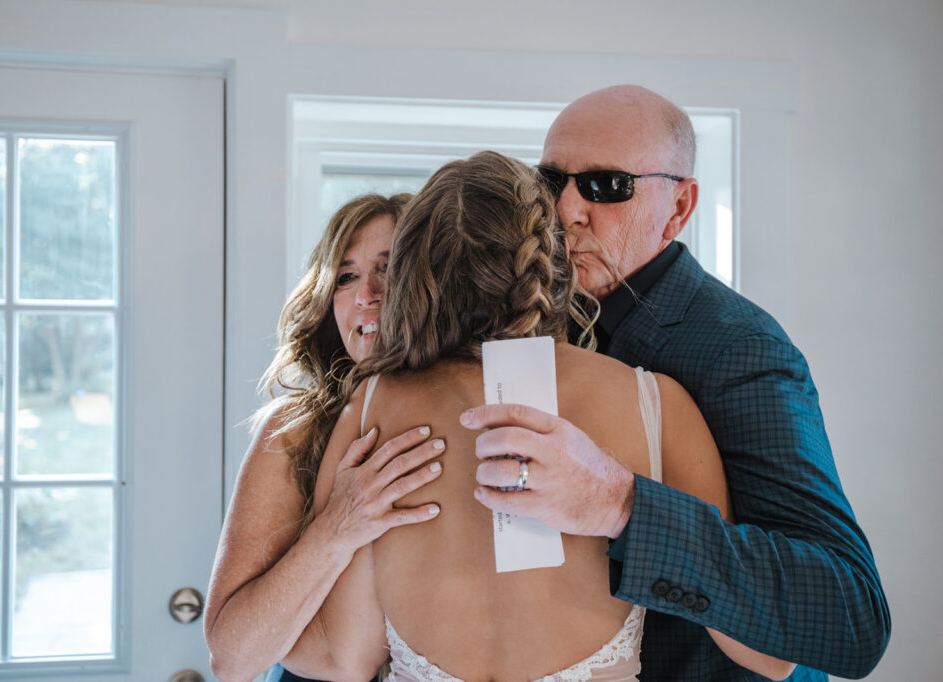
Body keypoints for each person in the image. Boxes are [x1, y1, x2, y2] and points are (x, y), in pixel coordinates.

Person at [287, 151, 795, 681]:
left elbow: (343, 659)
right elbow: (770, 655)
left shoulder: (369, 410)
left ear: (413, 272)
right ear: (552, 256)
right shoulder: (655, 403)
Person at [461, 86, 891, 679]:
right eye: (551, 180)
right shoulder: (522, 320)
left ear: (680, 208)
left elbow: (849, 614)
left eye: (606, 186)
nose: (565, 210)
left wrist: (620, 505)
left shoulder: (741, 348)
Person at [204, 193, 446, 682]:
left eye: (391, 268)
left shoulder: (485, 409)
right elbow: (232, 660)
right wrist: (337, 527)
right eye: (346, 277)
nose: (367, 294)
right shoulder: (294, 429)